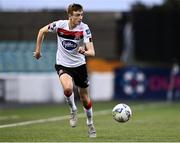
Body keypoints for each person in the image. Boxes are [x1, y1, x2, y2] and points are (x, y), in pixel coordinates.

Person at [33, 3, 96, 138]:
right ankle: (73, 109)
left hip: (79, 66)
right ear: (70, 16)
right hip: (63, 64)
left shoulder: (84, 29)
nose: (81, 17)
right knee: (67, 89)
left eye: (82, 14)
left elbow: (92, 52)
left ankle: (90, 123)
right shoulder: (60, 25)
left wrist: (84, 51)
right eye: (77, 15)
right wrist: (38, 50)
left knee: (85, 98)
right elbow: (41, 31)